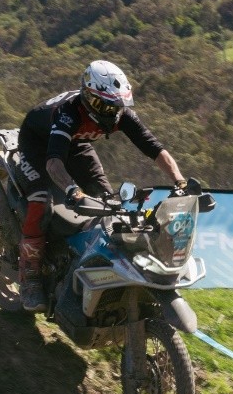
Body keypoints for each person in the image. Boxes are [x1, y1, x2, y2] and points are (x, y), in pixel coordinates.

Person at [15, 59, 186, 311]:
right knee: (41, 200)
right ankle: (29, 278)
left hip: (76, 144)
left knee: (108, 201)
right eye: (104, 106)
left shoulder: (121, 114)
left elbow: (154, 148)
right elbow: (53, 163)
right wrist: (72, 190)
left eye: (116, 106)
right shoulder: (69, 113)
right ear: (87, 97)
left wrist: (180, 181)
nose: (111, 113)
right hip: (38, 145)